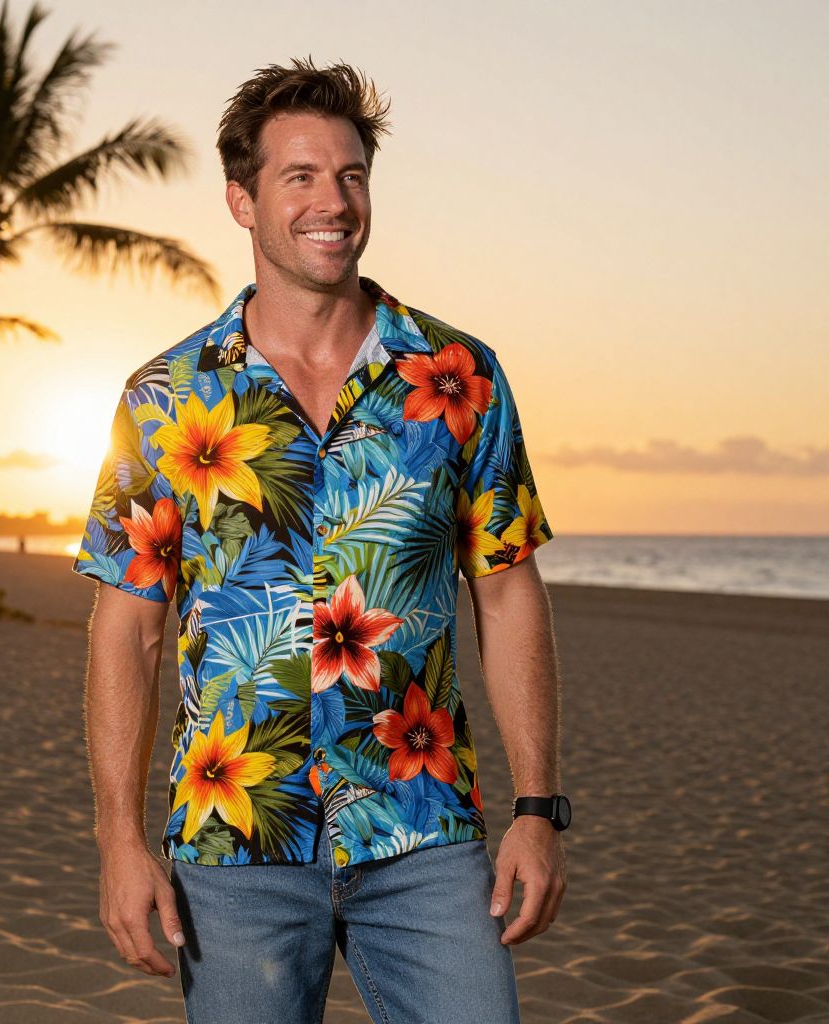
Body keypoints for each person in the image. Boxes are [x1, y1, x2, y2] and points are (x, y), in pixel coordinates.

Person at [72, 56, 567, 1024]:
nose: (330, 200)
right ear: (241, 201)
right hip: (233, 846)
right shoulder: (166, 396)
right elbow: (124, 629)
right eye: (298, 176)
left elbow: (507, 594)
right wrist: (119, 843)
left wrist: (538, 811)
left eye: (349, 175)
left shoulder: (458, 375)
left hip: (423, 832)